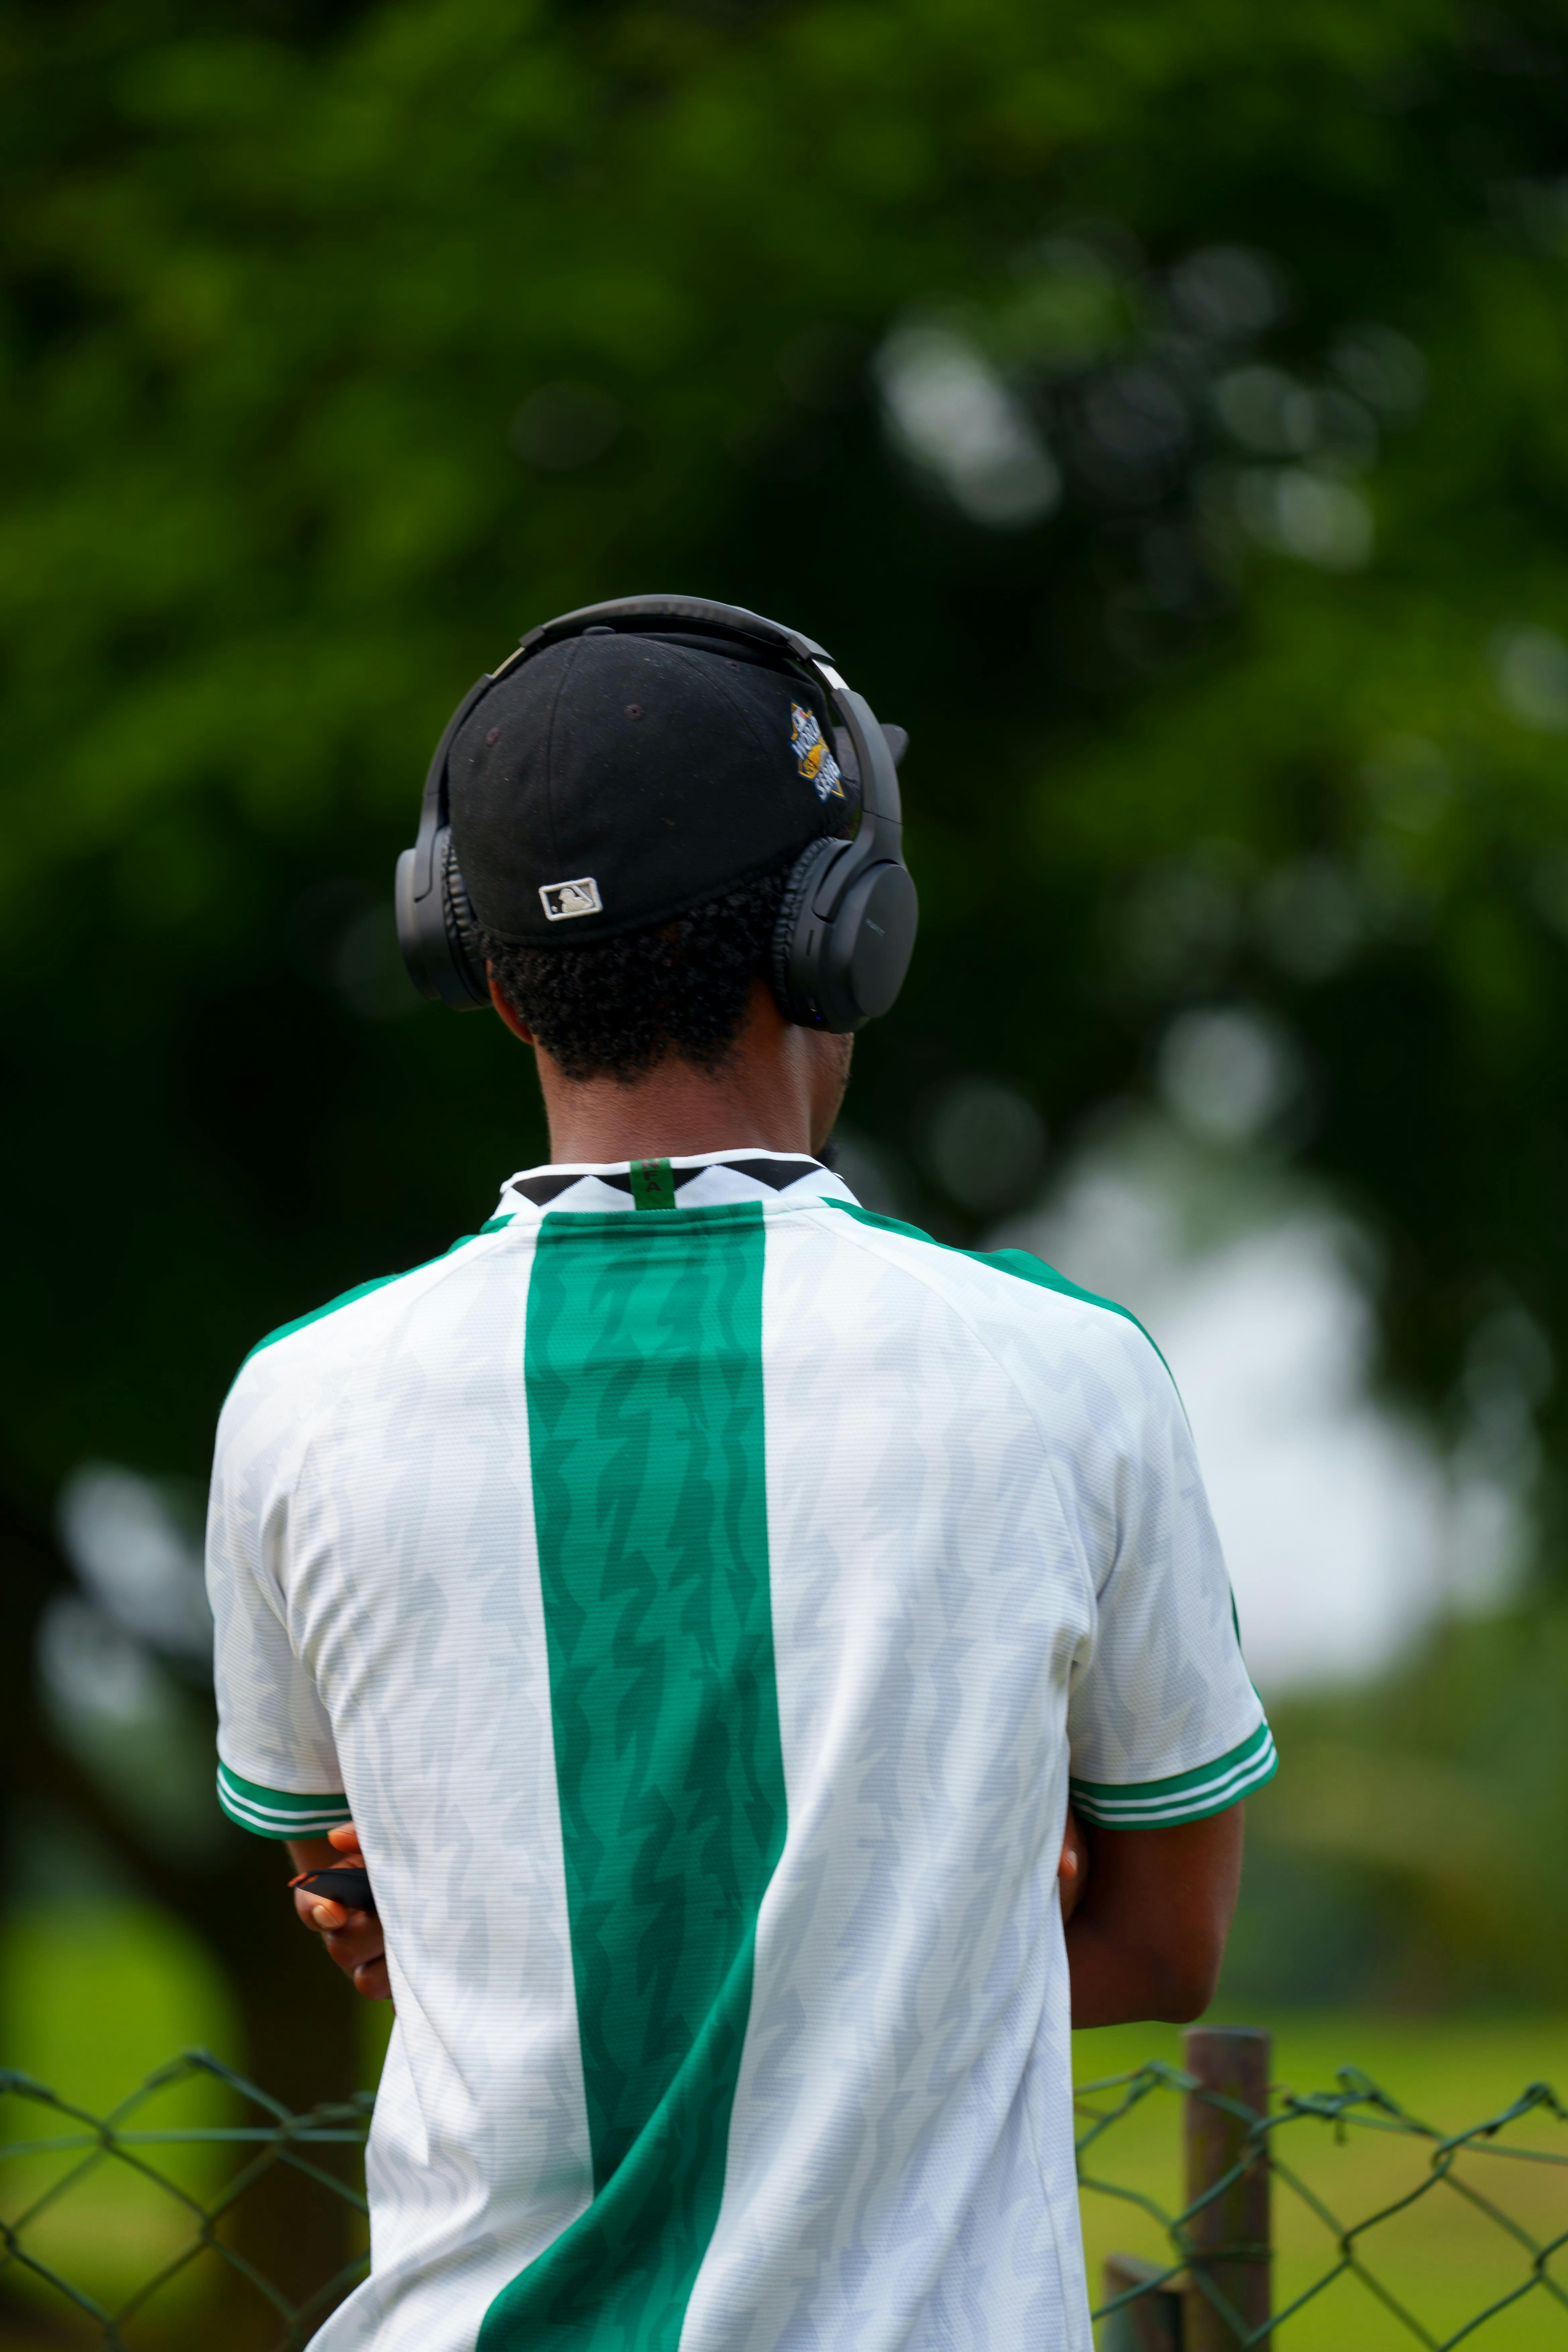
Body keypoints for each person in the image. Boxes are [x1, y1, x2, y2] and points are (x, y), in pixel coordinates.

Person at [206, 609, 1276, 2352]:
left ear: (473, 962)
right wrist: (927, 1913)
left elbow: (377, 1907)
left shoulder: (299, 1407)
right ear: (847, 933)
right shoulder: (1065, 1378)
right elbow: (1165, 1953)